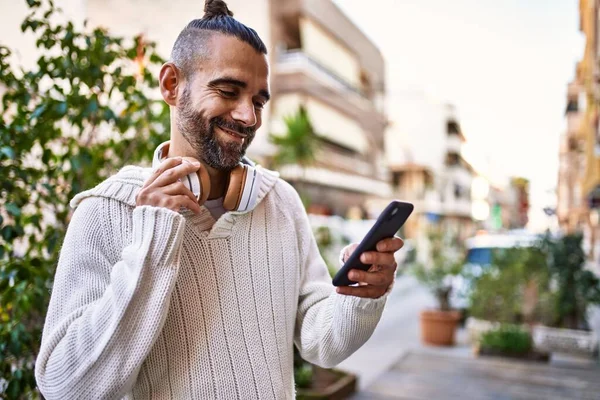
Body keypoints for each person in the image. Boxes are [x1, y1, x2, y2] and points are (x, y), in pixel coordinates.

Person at [34, 0, 403, 398]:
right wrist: (154, 238)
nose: (249, 117)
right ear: (172, 85)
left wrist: (361, 296)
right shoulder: (106, 212)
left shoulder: (280, 202)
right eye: (229, 91)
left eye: (259, 101)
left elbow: (321, 342)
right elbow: (65, 387)